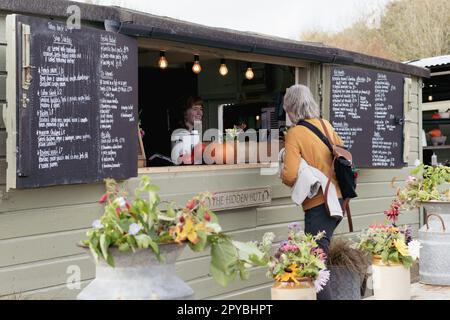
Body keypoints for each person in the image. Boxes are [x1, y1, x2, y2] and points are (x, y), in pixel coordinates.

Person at [280, 84, 344, 300]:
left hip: (319, 206)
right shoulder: (326, 125)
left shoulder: (295, 133)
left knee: (316, 264)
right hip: (338, 201)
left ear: (291, 108)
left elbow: (289, 175)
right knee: (319, 259)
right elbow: (342, 155)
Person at [171, 96, 205, 164]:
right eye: (195, 109)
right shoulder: (179, 134)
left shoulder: (194, 133)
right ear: (185, 113)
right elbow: (184, 161)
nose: (199, 113)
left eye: (201, 109)